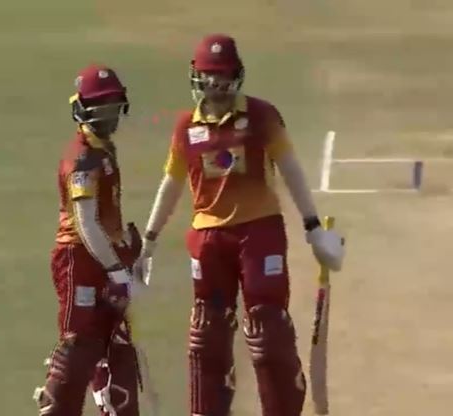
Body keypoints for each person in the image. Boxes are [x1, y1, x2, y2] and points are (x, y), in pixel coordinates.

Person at [134, 34, 345, 416]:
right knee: (207, 332)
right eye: (209, 75)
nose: (215, 84)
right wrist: (149, 240)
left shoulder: (262, 116)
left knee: (267, 328)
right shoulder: (186, 127)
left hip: (259, 231)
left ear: (236, 75)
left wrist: (313, 228)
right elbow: (171, 183)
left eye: (222, 75)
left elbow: (290, 168)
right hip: (208, 237)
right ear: (197, 76)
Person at [33, 64, 145, 416]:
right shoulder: (82, 157)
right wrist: (116, 269)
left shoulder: (103, 149)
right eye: (101, 106)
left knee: (114, 344)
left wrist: (127, 253)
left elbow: (107, 220)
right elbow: (85, 223)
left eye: (113, 105)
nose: (109, 114)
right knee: (79, 344)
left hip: (105, 257)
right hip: (78, 258)